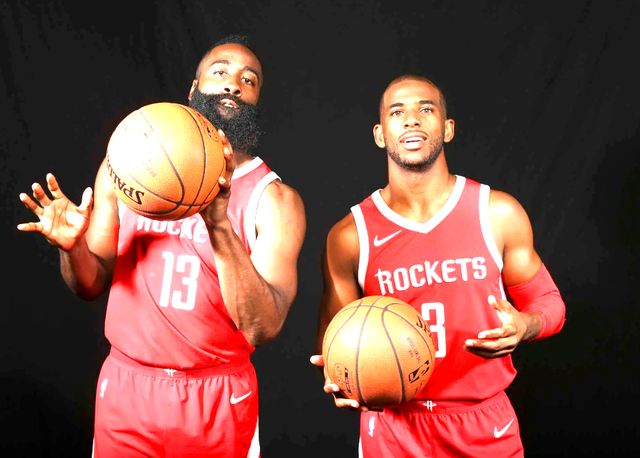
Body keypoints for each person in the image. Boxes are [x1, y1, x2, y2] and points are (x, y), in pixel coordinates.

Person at [17, 34, 306, 457]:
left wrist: (218, 224)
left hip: (216, 396)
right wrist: (72, 248)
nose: (233, 83)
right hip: (129, 390)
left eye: (249, 80)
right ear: (193, 88)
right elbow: (90, 284)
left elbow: (262, 327)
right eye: (220, 72)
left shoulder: (274, 199)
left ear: (256, 101)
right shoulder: (126, 166)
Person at [311, 74, 565, 457]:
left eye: (426, 109)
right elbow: (333, 340)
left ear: (447, 129)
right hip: (394, 431)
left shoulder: (496, 213)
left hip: (482, 424)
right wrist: (341, 377)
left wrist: (525, 326)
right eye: (397, 112)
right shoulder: (350, 235)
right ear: (380, 134)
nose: (411, 119)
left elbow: (549, 303)